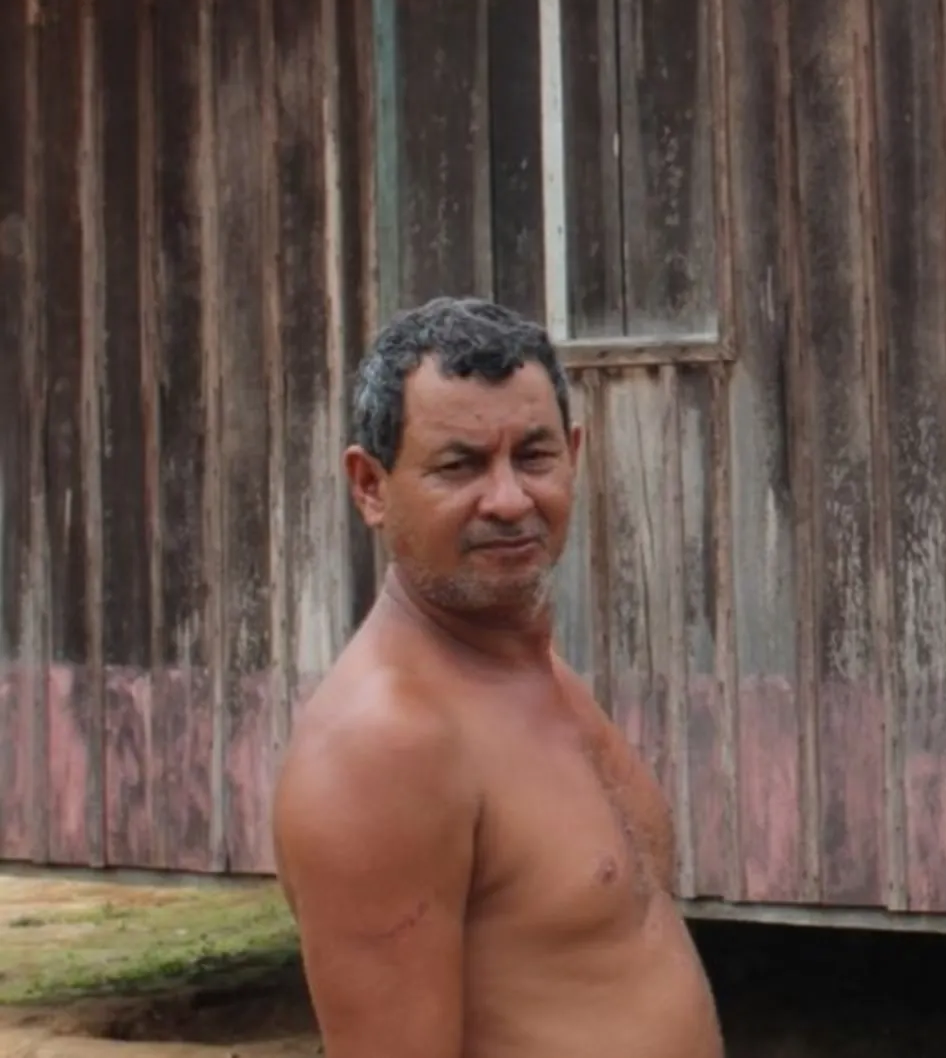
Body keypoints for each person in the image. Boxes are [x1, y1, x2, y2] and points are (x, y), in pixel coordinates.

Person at [272, 296, 722, 1058]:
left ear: (574, 455)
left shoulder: (535, 672)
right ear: (370, 486)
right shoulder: (385, 747)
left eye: (534, 456)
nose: (511, 500)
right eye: (461, 465)